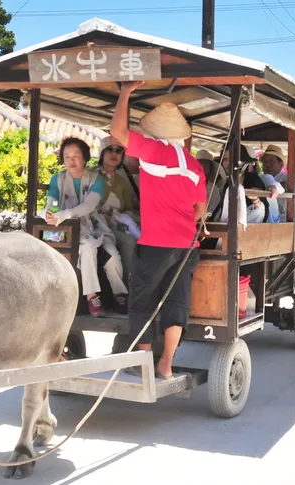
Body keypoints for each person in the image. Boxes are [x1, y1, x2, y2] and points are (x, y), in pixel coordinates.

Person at [111, 80, 207, 380]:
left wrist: (125, 92)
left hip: (156, 244)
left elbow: (118, 132)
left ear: (156, 132)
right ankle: (165, 363)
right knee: (176, 301)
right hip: (187, 246)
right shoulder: (194, 165)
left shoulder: (153, 150)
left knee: (142, 300)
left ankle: (143, 362)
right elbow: (200, 209)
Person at [44, 137, 129, 316]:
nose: (71, 161)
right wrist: (51, 213)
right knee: (88, 247)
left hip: (94, 226)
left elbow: (89, 205)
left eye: (76, 156)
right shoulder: (57, 179)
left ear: (84, 158)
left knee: (113, 256)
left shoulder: (96, 179)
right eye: (67, 157)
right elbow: (51, 203)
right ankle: (92, 297)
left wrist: (65, 214)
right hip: (66, 229)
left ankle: (119, 293)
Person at [97, 136, 141, 288]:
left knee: (136, 239)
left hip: (116, 224)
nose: (114, 154)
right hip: (96, 224)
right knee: (128, 242)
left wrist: (126, 216)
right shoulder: (90, 175)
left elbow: (128, 207)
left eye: (119, 151)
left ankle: (131, 287)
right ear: (101, 153)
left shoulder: (122, 181)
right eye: (109, 150)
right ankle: (124, 290)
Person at [259, 144, 295, 222]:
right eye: (265, 162)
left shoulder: (289, 178)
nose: (267, 165)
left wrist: (287, 186)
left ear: (281, 164)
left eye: (271, 161)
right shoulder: (261, 178)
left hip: (286, 224)